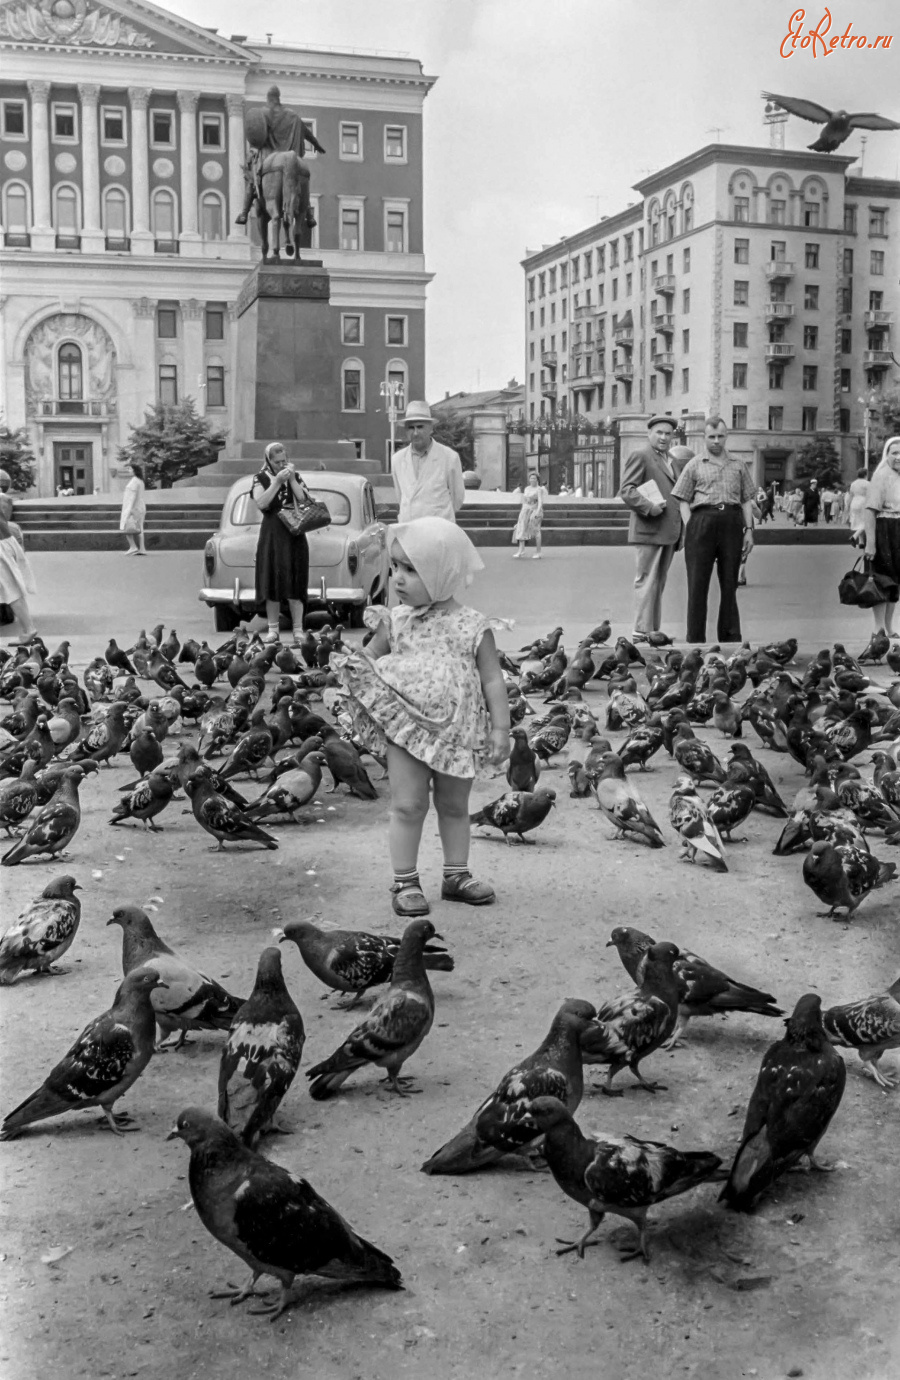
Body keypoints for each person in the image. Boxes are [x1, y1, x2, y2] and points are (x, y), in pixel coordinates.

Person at [332, 517, 510, 917]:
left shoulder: (473, 626)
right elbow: (369, 660)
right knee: (408, 805)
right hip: (407, 728)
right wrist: (354, 671)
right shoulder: (394, 621)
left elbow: (493, 680)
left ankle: (456, 875)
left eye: (411, 570)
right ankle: (405, 880)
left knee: (454, 806)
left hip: (458, 733)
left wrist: (501, 727)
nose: (397, 579)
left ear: (442, 573)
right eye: (395, 568)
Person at [671, 416, 755, 644]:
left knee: (730, 584)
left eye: (720, 436)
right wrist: (692, 526)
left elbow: (747, 499)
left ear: (726, 436)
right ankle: (695, 640)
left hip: (731, 521)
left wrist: (748, 530)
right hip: (702, 521)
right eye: (711, 437)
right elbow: (682, 500)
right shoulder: (695, 464)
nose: (716, 441)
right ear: (704, 437)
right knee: (697, 585)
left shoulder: (738, 464)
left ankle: (730, 639)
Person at [618, 415, 689, 642]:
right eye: (659, 432)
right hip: (649, 530)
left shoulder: (671, 459)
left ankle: (652, 630)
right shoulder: (641, 455)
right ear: (649, 434)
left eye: (668, 434)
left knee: (658, 583)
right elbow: (627, 490)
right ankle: (640, 630)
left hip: (668, 532)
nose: (664, 437)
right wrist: (649, 507)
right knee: (646, 580)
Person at [251, 441, 314, 646]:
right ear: (268, 460)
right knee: (272, 583)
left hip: (294, 535)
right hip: (272, 535)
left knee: (296, 582)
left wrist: (292, 479)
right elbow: (261, 503)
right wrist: (277, 482)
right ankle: (273, 629)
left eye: (284, 461)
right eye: (277, 462)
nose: (281, 465)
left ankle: (298, 630)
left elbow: (304, 501)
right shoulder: (260, 478)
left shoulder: (294, 476)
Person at [391, 401, 465, 524]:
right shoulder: (397, 460)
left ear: (431, 428)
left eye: (420, 427)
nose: (415, 432)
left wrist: (439, 515)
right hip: (409, 530)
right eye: (411, 427)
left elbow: (457, 498)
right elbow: (400, 496)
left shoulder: (449, 457)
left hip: (439, 530)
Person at [862, 436, 900, 636]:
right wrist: (871, 543)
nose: (899, 457)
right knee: (882, 580)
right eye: (894, 453)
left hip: (898, 530)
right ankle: (879, 629)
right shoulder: (881, 476)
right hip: (885, 529)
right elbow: (869, 511)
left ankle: (889, 627)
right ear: (887, 455)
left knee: (895, 582)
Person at [0, 507, 37, 640]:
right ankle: (29, 628)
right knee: (11, 588)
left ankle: (29, 629)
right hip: (5, 541)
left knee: (10, 589)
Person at [512, 469, 547, 558]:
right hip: (525, 510)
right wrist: (521, 514)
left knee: (536, 530)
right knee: (521, 528)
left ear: (537, 479)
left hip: (535, 510)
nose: (532, 480)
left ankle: (538, 552)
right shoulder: (526, 488)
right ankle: (521, 550)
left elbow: (540, 502)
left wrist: (538, 512)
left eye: (534, 478)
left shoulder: (539, 489)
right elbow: (524, 501)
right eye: (531, 478)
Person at [119, 464, 147, 556]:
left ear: (134, 470)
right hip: (140, 507)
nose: (128, 470)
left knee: (127, 526)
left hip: (134, 507)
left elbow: (132, 497)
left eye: (130, 469)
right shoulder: (140, 480)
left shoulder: (134, 481)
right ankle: (142, 549)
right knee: (140, 528)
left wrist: (130, 510)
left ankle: (133, 546)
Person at [847, 468, 869, 545]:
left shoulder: (853, 483)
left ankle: (861, 542)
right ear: (865, 475)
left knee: (858, 521)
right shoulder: (867, 483)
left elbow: (851, 495)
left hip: (854, 502)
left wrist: (848, 506)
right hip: (863, 502)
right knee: (866, 522)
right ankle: (854, 536)